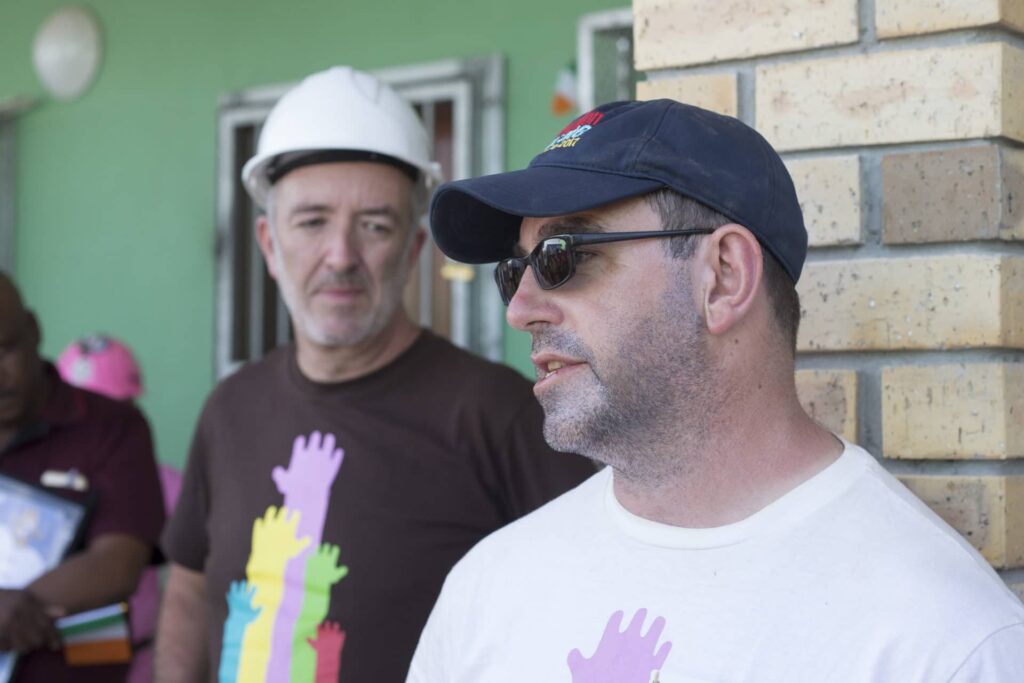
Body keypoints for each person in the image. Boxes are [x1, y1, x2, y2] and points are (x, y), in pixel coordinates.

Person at [408, 99, 1024, 681]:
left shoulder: (943, 640)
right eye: (515, 271)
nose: (520, 310)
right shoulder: (489, 587)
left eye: (561, 256)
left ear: (724, 277)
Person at [155, 66, 593, 683]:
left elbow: (583, 596)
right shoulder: (230, 409)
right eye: (311, 222)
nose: (341, 256)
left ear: (412, 251)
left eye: (375, 226)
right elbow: (188, 588)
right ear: (269, 244)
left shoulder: (500, 414)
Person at [0, 273, 165, 682]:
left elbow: (120, 563)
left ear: (34, 330)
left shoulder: (111, 427)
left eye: (5, 349)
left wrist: (16, 607)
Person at [57, 334, 181, 683]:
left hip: (141, 659)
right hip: (52, 663)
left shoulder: (167, 484)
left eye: (111, 412)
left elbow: (193, 584)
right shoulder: (43, 486)